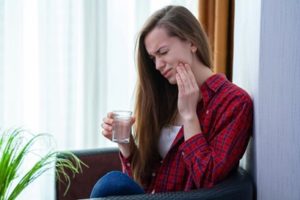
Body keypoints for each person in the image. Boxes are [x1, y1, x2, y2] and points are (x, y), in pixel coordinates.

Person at [90, 5, 253, 198]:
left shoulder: (234, 102)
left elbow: (207, 179)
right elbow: (143, 182)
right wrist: (126, 144)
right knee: (113, 183)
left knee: (111, 184)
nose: (158, 65)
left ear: (192, 42)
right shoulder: (165, 95)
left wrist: (189, 116)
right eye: (153, 58)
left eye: (163, 52)